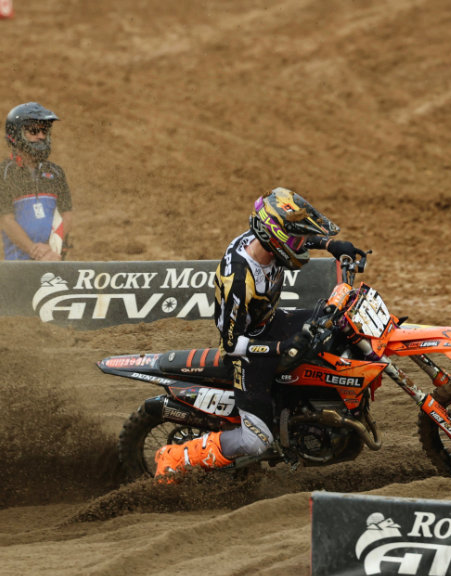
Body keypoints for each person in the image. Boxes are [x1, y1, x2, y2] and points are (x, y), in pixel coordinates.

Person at [153, 187, 365, 481]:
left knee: (336, 323)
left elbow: (293, 231)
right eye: (296, 241)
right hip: (248, 351)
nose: (301, 246)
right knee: (256, 442)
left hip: (270, 323)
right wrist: (281, 348)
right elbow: (231, 344)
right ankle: (177, 456)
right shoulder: (239, 278)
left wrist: (330, 244)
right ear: (273, 239)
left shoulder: (264, 239)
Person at [0, 102, 73, 261]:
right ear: (16, 133)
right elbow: (6, 220)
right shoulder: (2, 174)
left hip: (54, 259)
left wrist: (52, 247)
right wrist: (35, 250)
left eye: (44, 131)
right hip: (19, 264)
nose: (40, 136)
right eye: (33, 131)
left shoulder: (56, 172)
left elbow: (67, 214)